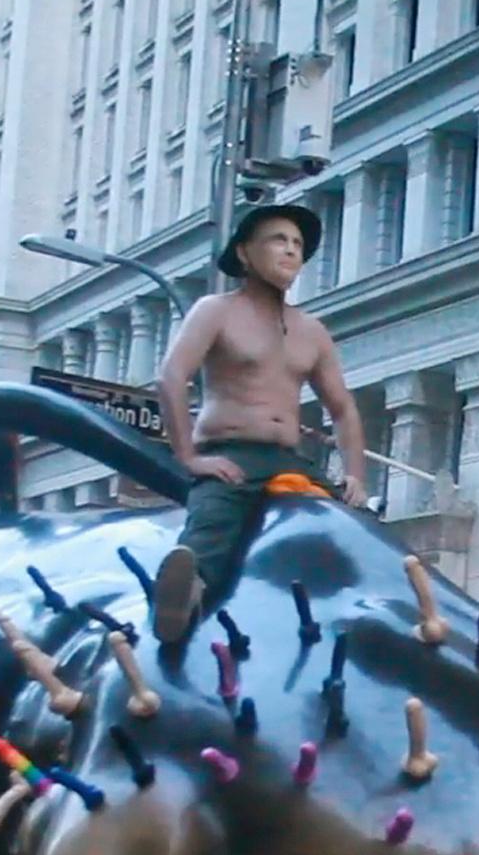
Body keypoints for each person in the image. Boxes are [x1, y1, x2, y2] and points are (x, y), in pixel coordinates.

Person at [149, 202, 368, 643]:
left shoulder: (312, 331)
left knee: (349, 528)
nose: (291, 251)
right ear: (246, 254)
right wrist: (189, 457)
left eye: (298, 245)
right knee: (209, 531)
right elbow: (172, 377)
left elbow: (342, 408)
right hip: (228, 456)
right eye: (278, 240)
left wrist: (356, 476)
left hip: (290, 462)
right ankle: (178, 602)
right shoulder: (215, 310)